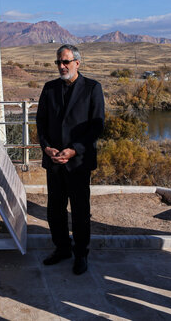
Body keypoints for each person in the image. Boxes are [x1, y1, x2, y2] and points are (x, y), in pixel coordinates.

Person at [36, 44, 105, 275]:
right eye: (58, 62)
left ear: (77, 62)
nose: (61, 66)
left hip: (78, 163)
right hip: (54, 161)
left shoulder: (92, 88)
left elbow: (97, 126)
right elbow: (41, 123)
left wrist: (74, 150)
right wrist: (47, 148)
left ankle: (81, 254)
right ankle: (62, 249)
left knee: (79, 210)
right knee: (55, 210)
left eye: (65, 62)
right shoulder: (49, 88)